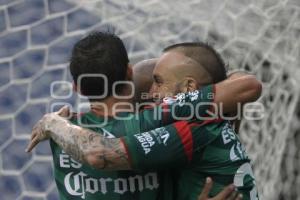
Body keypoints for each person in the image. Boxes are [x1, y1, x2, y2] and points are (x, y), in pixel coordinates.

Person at [26, 32, 261, 199]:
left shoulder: (63, 135)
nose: (151, 92)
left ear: (77, 87)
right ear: (129, 72)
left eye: (158, 82)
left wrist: (51, 122)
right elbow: (244, 84)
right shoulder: (157, 122)